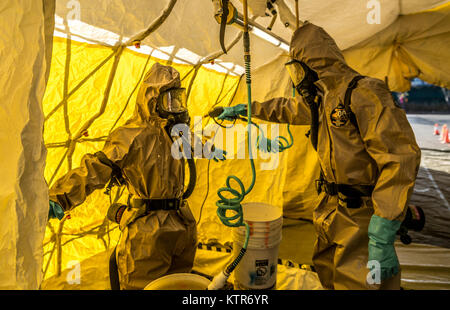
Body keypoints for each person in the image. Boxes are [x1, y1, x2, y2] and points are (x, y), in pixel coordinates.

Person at [217, 22, 421, 289]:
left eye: (297, 67)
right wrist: (247, 109)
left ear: (312, 63)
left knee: (359, 281)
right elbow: (286, 109)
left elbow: (400, 158)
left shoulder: (365, 93)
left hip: (361, 213)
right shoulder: (324, 100)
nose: (297, 78)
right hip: (331, 209)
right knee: (329, 273)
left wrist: (382, 230)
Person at [48, 63, 223, 290]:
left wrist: (210, 148)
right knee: (142, 285)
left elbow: (192, 145)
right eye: (169, 100)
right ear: (152, 100)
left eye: (178, 99)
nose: (175, 107)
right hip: (148, 230)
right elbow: (95, 168)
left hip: (182, 223)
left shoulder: (177, 132)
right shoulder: (129, 135)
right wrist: (61, 196)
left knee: (180, 284)